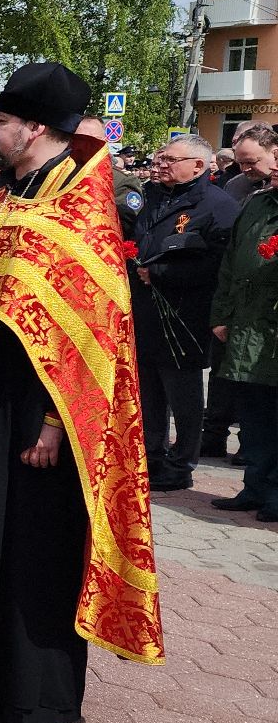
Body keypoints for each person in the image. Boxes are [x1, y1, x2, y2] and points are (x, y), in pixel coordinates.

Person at [0, 61, 166, 723]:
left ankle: (24, 691)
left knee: (28, 545)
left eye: (2, 122)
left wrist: (54, 422)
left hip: (32, 415)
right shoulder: (4, 196)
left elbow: (93, 338)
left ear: (35, 127)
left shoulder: (81, 209)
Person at [128, 135, 238, 493]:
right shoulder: (152, 194)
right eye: (161, 158)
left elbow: (218, 264)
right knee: (149, 392)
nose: (162, 165)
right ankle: (153, 455)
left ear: (198, 165)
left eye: (171, 160)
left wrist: (161, 273)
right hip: (145, 310)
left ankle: (181, 463)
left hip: (184, 315)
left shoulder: (216, 204)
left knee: (183, 395)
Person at [210, 122, 278, 519]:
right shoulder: (256, 204)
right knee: (253, 414)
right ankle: (255, 485)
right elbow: (231, 264)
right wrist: (221, 315)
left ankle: (274, 494)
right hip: (247, 328)